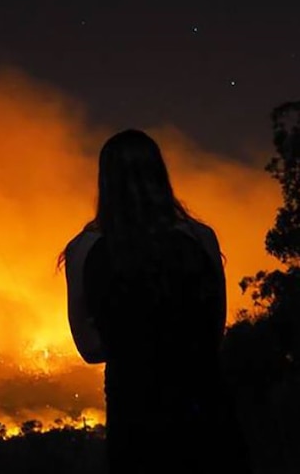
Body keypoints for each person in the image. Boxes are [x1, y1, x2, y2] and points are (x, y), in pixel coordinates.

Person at [61, 129, 250, 473]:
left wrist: (131, 337)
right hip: (205, 411)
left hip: (136, 415)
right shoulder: (200, 238)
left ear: (105, 182)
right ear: (160, 175)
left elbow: (89, 348)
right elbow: (213, 333)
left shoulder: (84, 250)